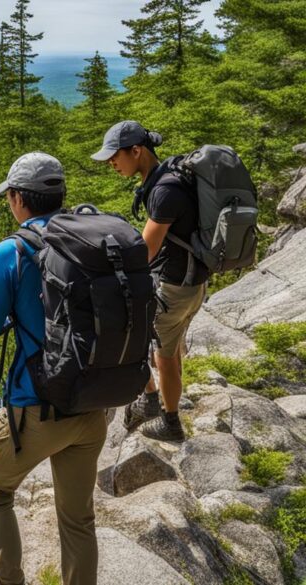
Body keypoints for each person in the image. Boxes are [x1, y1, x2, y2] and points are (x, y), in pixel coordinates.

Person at [0, 153, 107, 585]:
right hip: (93, 403)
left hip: (37, 408)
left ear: (17, 199)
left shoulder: (10, 252)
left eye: (8, 196)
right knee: (78, 519)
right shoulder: (87, 238)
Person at [92, 120, 207, 443]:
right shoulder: (167, 179)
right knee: (161, 344)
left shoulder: (164, 190)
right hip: (191, 282)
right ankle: (153, 399)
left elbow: (145, 251)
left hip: (175, 285)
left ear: (137, 150)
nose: (112, 163)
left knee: (164, 354)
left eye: (115, 156)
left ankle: (170, 423)